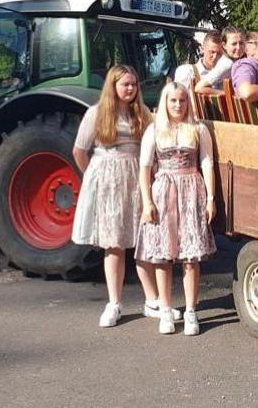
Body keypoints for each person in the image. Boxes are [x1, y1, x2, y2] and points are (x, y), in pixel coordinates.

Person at [73, 65, 164, 327]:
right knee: (114, 243)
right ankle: (114, 303)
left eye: (134, 85)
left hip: (136, 178)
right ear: (113, 86)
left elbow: (154, 143)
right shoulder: (96, 113)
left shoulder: (142, 112)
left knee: (143, 239)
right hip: (108, 179)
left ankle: (152, 300)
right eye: (125, 84)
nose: (131, 89)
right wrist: (94, 177)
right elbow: (80, 151)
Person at [135, 83, 216, 335]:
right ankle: (166, 309)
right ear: (165, 102)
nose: (178, 105)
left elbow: (207, 163)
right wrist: (147, 202)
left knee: (190, 256)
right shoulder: (154, 130)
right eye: (173, 101)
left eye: (182, 100)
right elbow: (145, 168)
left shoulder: (198, 129)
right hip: (163, 190)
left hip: (191, 189)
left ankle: (191, 311)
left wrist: (211, 198)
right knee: (163, 255)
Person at [195, 26, 246, 95]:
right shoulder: (227, 64)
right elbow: (199, 87)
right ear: (224, 45)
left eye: (241, 43)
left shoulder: (231, 61)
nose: (238, 47)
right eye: (234, 44)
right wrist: (227, 95)